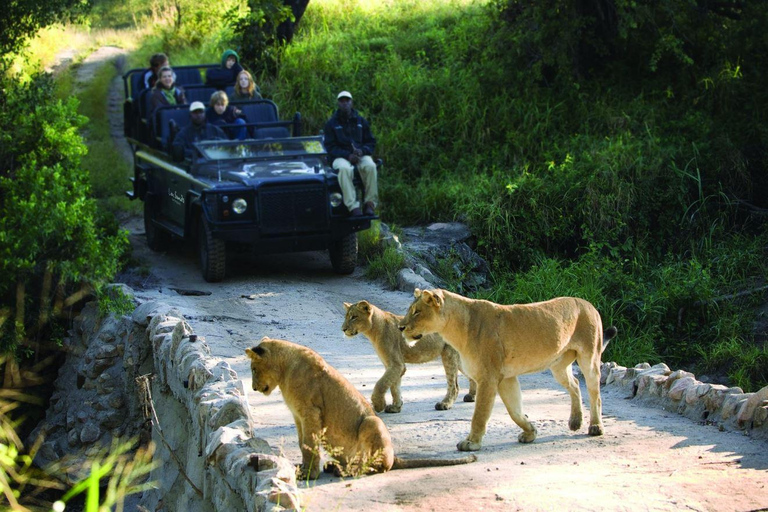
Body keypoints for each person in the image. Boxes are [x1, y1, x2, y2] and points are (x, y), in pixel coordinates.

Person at [323, 91, 378, 216]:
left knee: (370, 166)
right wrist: (347, 155)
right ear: (338, 103)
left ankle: (370, 204)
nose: (345, 103)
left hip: (360, 155)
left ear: (351, 102)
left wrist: (362, 151)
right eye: (342, 101)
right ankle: (353, 206)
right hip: (340, 156)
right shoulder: (331, 124)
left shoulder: (361, 121)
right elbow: (330, 147)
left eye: (347, 100)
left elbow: (371, 142)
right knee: (344, 169)